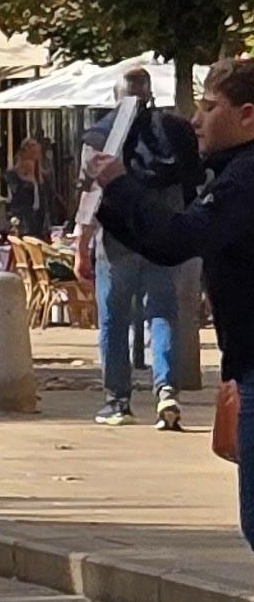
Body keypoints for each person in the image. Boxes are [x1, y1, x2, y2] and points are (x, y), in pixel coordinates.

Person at [92, 59, 254, 546]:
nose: (197, 120)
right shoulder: (233, 172)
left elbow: (181, 237)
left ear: (248, 116)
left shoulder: (246, 179)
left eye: (209, 107)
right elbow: (167, 241)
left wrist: (119, 186)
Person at [88, 64, 199, 428]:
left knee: (114, 320)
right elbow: (190, 183)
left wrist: (80, 243)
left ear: (116, 96)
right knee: (162, 313)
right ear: (151, 94)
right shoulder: (174, 132)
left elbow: (88, 196)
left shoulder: (101, 136)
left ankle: (117, 402)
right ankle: (166, 389)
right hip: (163, 238)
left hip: (117, 240)